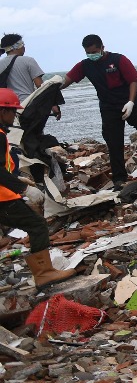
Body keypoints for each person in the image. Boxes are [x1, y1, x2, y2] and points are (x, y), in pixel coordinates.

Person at [61, 35, 137, 187]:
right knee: (114, 143)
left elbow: (133, 81)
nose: (91, 55)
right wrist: (52, 89)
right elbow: (66, 81)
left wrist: (131, 102)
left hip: (130, 102)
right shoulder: (84, 65)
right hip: (108, 107)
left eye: (94, 51)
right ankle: (120, 178)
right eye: (88, 53)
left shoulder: (119, 60)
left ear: (102, 47)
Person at [0, 89, 78, 288]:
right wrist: (23, 189)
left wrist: (18, 179)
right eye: (12, 112)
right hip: (3, 197)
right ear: (2, 112)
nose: (14, 116)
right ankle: (44, 274)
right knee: (37, 226)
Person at [0, 34, 52, 107]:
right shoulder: (28, 60)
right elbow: (41, 87)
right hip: (28, 105)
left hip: (9, 107)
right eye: (22, 44)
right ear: (17, 46)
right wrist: (52, 105)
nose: (24, 47)